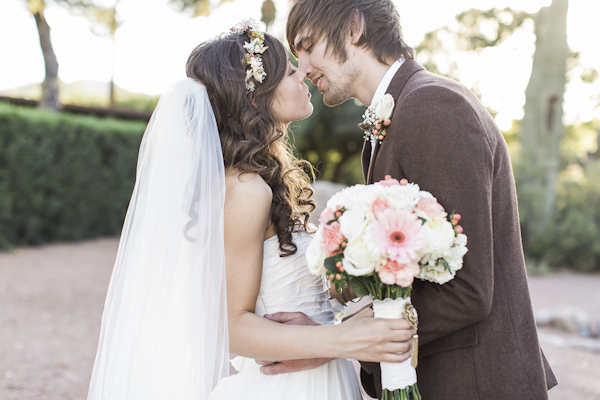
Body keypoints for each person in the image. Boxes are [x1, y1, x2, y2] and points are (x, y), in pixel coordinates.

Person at [86, 20, 415, 400]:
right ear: (259, 96)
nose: (304, 74)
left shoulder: (264, 178)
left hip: (316, 378)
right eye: (291, 71)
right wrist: (342, 339)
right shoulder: (246, 189)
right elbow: (231, 326)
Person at [260, 1, 559, 399]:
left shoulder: (433, 106)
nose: (303, 66)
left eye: (308, 44)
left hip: (474, 382)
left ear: (353, 27)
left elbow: (466, 289)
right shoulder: (399, 112)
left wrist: (341, 342)